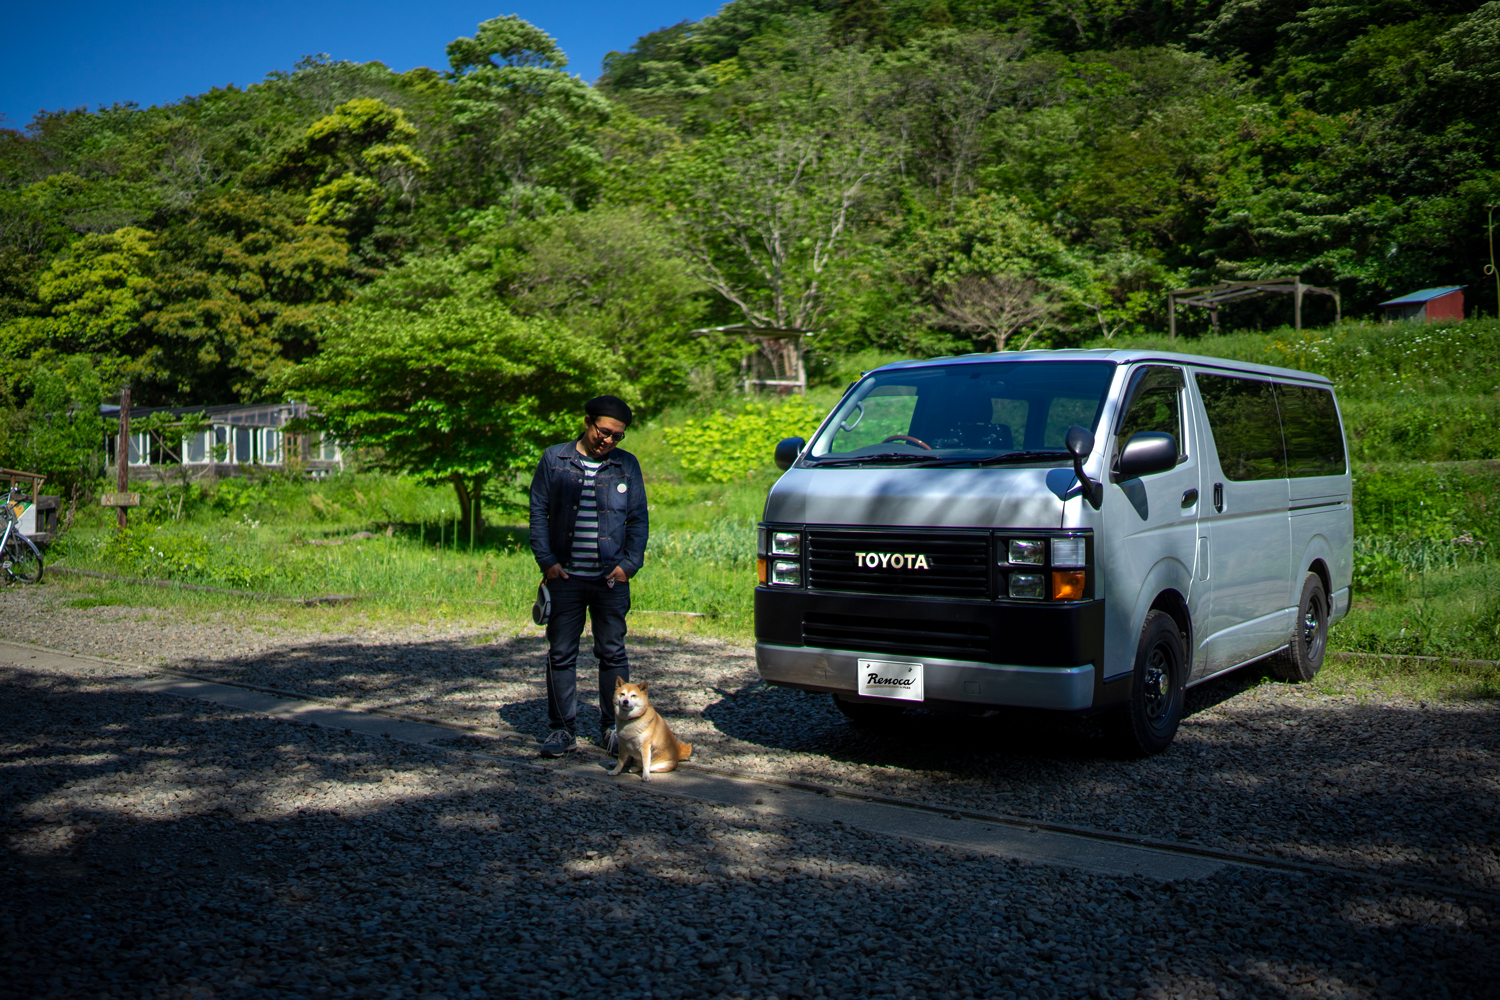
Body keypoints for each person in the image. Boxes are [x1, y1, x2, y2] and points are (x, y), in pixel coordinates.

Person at [528, 394, 649, 757]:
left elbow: (638, 520)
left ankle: (613, 730)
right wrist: (547, 561)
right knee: (561, 653)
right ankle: (561, 730)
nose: (609, 440)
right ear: (587, 422)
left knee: (612, 654)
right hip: (564, 578)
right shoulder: (555, 459)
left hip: (609, 580)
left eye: (617, 436)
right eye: (604, 431)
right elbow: (538, 513)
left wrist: (628, 566)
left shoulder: (626, 465)